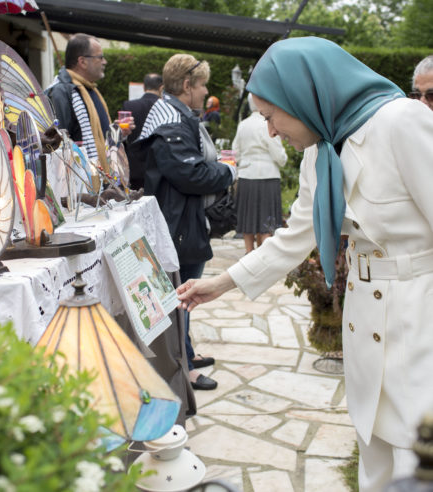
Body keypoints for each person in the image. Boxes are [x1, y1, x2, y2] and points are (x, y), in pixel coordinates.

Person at [177, 37, 433, 491]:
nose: (270, 132)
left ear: (303, 97)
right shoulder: (320, 152)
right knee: (373, 449)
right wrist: (221, 284)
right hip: (366, 319)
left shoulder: (401, 122)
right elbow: (295, 238)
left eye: (270, 116)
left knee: (419, 455)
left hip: (421, 315)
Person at [139, 54, 236, 391]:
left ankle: (188, 354)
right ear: (186, 85)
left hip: (181, 222)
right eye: (202, 85)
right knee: (181, 297)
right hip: (177, 225)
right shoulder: (172, 124)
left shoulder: (175, 117)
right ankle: (184, 369)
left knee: (184, 297)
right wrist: (228, 171)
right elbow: (190, 174)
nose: (205, 91)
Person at [46, 33, 133, 174]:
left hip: (100, 179)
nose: (104, 62)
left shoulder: (89, 90)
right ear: (82, 61)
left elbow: (99, 137)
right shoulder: (61, 92)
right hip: (81, 183)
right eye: (100, 57)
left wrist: (118, 132)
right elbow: (58, 142)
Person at [232, 92, 287, 253]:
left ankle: (249, 253)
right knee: (266, 222)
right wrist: (282, 160)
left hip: (247, 175)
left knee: (248, 218)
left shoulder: (243, 124)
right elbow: (279, 154)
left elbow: (236, 152)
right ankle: (264, 255)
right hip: (268, 176)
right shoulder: (268, 123)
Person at [121, 73, 163, 190]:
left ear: (144, 87)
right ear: (161, 88)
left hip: (134, 167)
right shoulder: (166, 107)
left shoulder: (129, 105)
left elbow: (123, 134)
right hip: (159, 166)